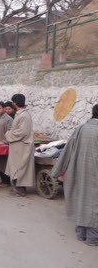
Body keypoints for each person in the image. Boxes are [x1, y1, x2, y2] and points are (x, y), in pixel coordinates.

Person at [51, 104, 98, 246]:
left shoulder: (81, 129)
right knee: (93, 205)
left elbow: (67, 150)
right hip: (94, 174)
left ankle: (80, 234)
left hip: (78, 172)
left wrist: (57, 171)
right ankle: (92, 238)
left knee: (81, 200)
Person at [4, 93, 35, 197]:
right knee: (16, 166)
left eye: (12, 102)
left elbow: (22, 132)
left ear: (15, 103)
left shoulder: (24, 116)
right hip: (18, 145)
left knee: (20, 166)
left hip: (22, 145)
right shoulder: (20, 114)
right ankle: (17, 187)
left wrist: (8, 134)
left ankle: (20, 189)